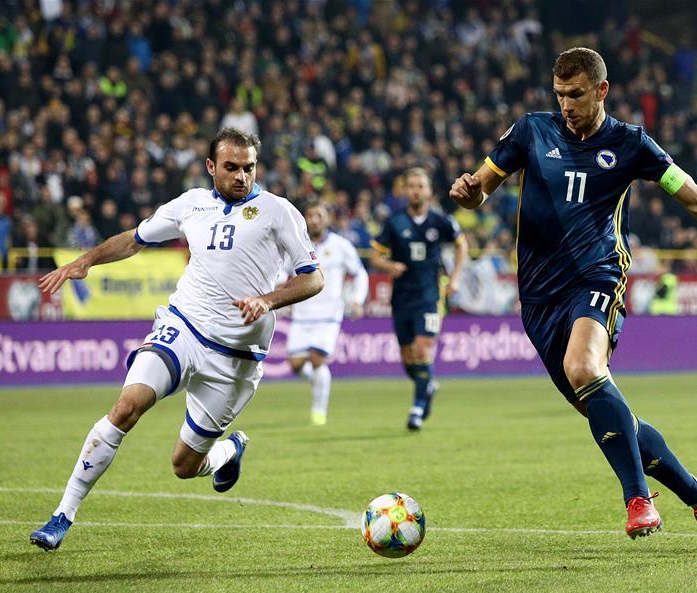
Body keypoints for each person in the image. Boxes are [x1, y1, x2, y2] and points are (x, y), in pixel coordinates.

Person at [449, 48, 697, 555]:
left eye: (576, 95)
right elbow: (479, 189)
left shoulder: (631, 144)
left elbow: (696, 198)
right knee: (612, 417)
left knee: (583, 365)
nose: (567, 105)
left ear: (601, 90)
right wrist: (468, 194)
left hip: (598, 275)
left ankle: (638, 498)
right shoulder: (531, 131)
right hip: (537, 296)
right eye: (559, 95)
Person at [29, 128, 324, 551]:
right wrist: (86, 260)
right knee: (127, 406)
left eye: (249, 168)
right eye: (231, 167)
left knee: (184, 466)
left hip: (236, 357)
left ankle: (226, 453)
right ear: (211, 167)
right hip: (184, 327)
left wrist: (267, 300)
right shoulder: (191, 204)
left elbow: (312, 279)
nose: (241, 176)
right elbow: (134, 239)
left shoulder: (279, 212)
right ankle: (62, 515)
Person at [370, 168, 468, 430]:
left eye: (420, 185)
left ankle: (416, 409)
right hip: (402, 298)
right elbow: (375, 255)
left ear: (429, 191)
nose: (415, 190)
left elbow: (462, 244)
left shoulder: (439, 220)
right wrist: (388, 266)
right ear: (404, 191)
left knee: (424, 349)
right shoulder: (394, 222)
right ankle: (428, 386)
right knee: (408, 359)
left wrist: (455, 278)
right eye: (411, 185)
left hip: (430, 297)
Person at [283, 199, 369, 425]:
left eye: (319, 215)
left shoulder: (341, 246)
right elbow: (281, 273)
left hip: (329, 314)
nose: (315, 220)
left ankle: (318, 411)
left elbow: (359, 273)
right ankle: (319, 383)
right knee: (296, 364)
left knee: (317, 358)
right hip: (302, 313)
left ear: (327, 218)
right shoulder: (296, 246)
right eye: (310, 216)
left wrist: (357, 300)